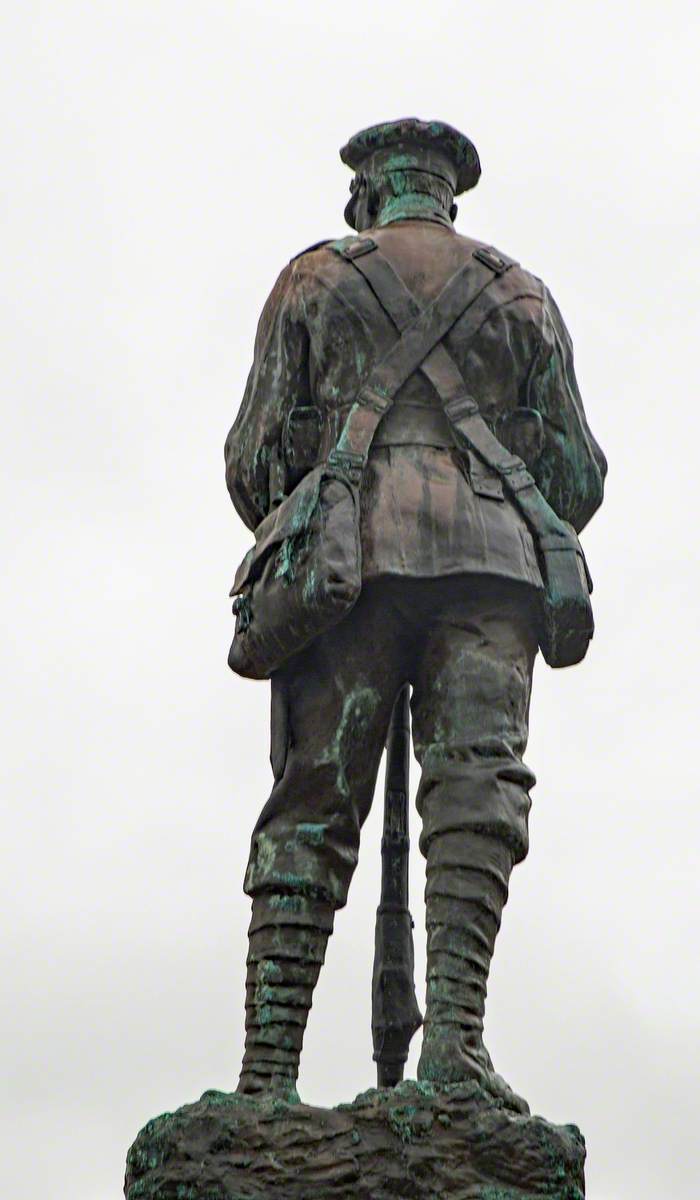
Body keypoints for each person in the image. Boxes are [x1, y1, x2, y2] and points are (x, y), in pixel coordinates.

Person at [224, 118, 606, 1108]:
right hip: (492, 570)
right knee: (478, 796)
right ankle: (455, 1054)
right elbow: (575, 472)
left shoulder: (314, 279)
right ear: (447, 195)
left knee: (309, 805)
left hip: (347, 567)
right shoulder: (519, 293)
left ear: (366, 192)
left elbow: (255, 459)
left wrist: (328, 467)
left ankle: (267, 1079)